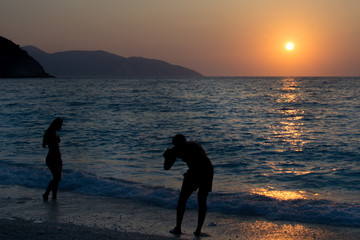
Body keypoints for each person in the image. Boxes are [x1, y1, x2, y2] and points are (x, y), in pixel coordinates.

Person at [163, 134, 214, 237]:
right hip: (204, 170)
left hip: (202, 171)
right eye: (175, 145)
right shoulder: (183, 147)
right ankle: (189, 229)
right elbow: (167, 167)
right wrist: (168, 156)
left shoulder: (184, 148)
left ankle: (187, 229)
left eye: (177, 144)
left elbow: (167, 167)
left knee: (190, 199)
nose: (176, 146)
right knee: (195, 200)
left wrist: (167, 157)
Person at [42, 117, 63, 201]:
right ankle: (46, 194)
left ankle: (54, 196)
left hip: (57, 158)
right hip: (52, 158)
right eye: (60, 125)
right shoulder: (50, 133)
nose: (61, 127)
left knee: (57, 178)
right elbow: (50, 145)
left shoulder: (53, 132)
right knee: (57, 177)